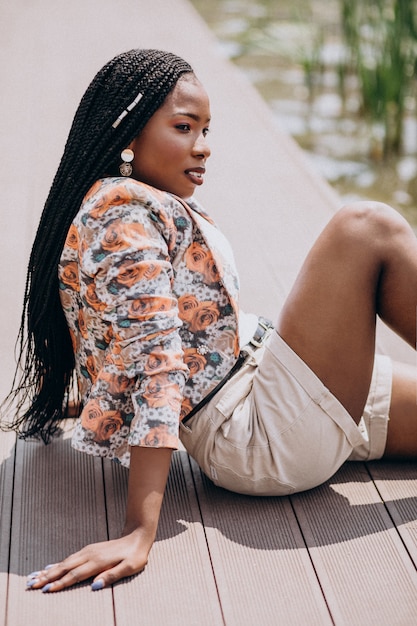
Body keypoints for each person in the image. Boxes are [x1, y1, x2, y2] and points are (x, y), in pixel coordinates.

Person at [2, 48, 417, 594]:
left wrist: (99, 404)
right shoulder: (121, 217)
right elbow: (157, 361)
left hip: (276, 385)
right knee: (366, 226)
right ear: (127, 133)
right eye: (183, 127)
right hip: (262, 426)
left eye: (205, 129)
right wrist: (138, 532)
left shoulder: (121, 205)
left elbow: (116, 332)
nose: (204, 146)